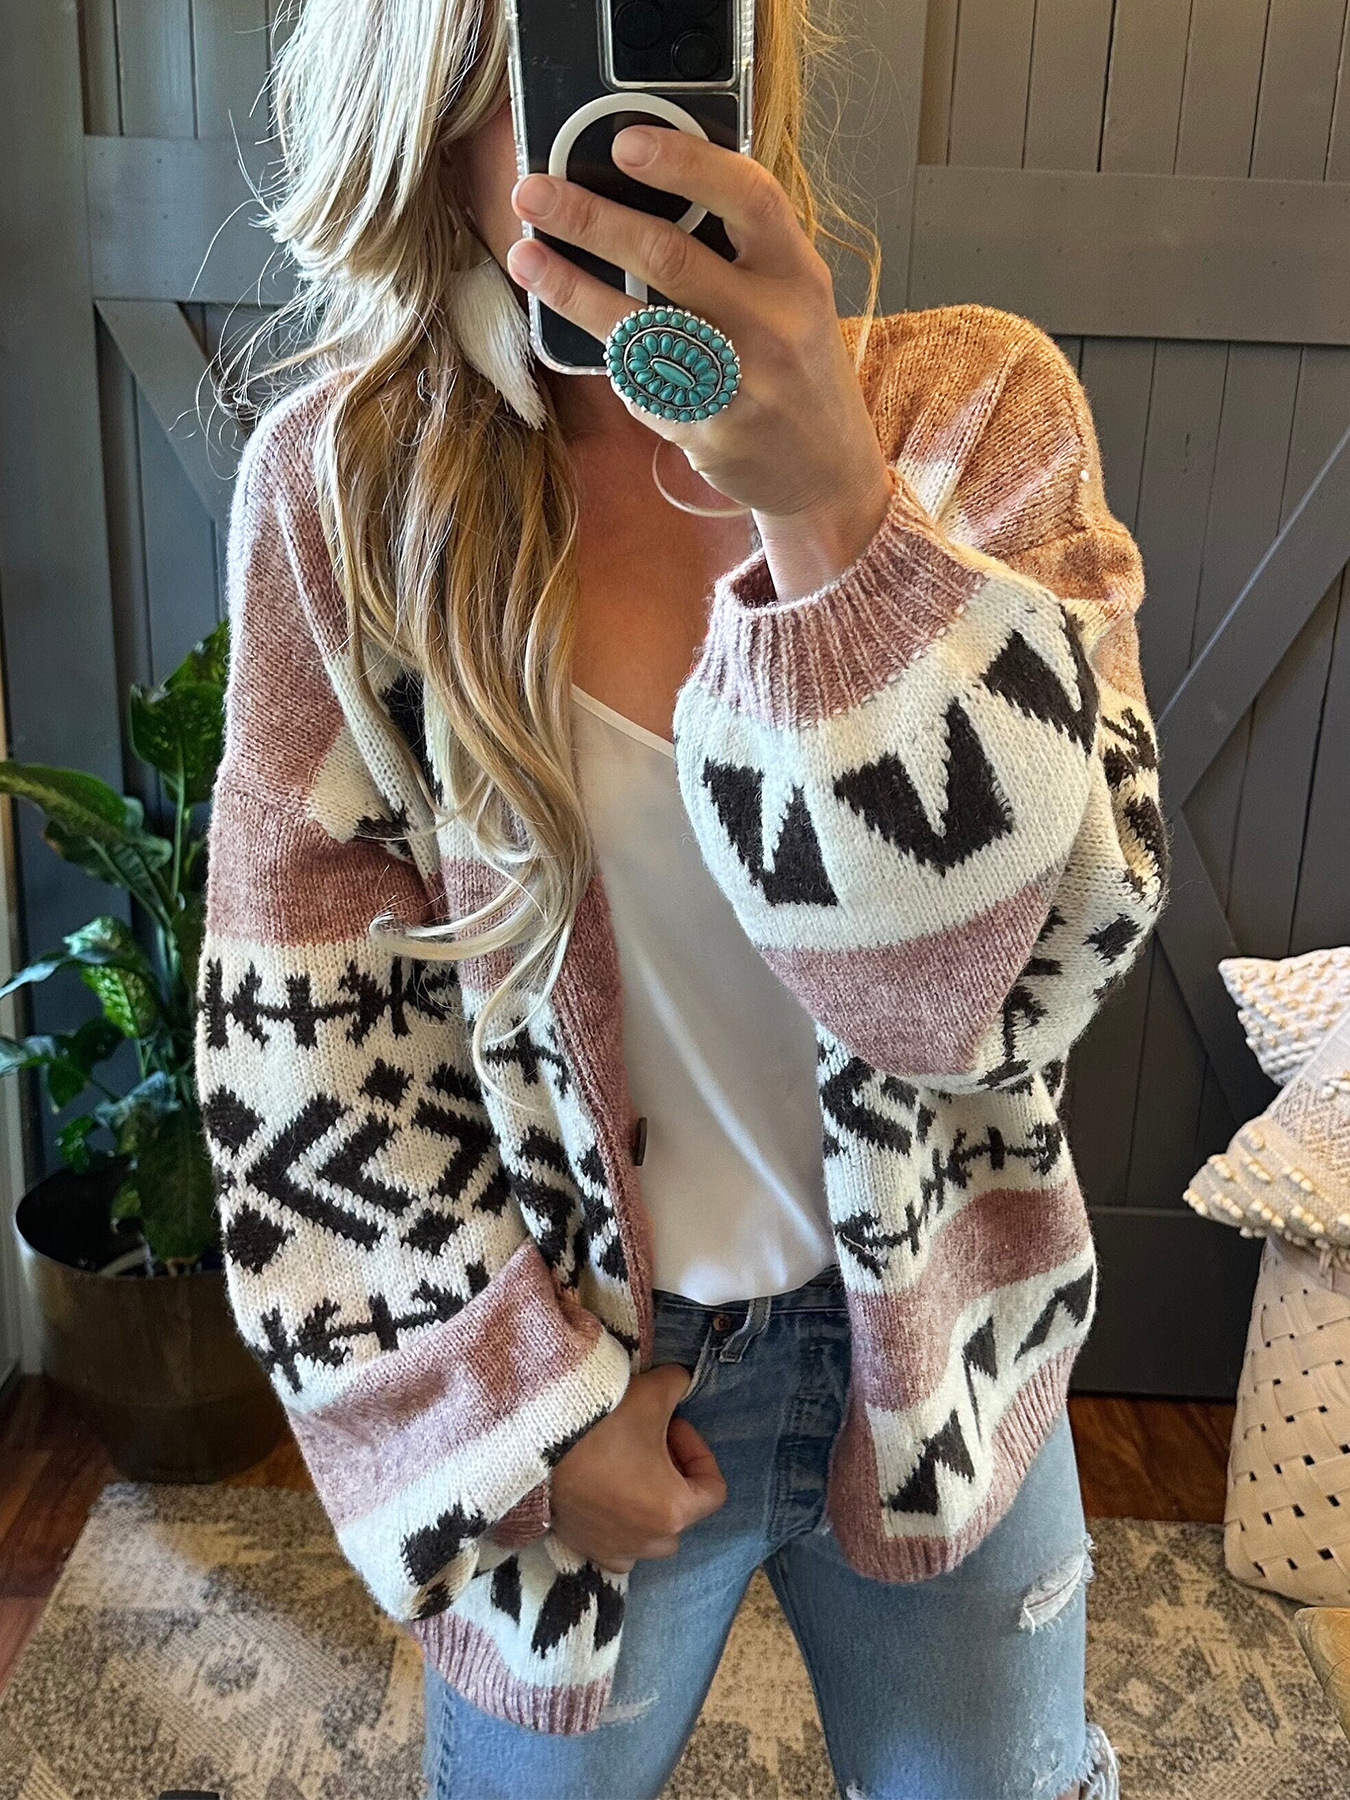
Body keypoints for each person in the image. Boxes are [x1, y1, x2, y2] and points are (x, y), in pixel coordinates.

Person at [198, 0, 1169, 1794]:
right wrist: (522, 1425)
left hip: (946, 1340)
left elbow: (987, 991)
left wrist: (832, 518)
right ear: (431, 90)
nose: (616, 127)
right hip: (584, 1394)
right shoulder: (345, 499)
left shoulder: (973, 418)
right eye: (547, 47)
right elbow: (306, 1052)